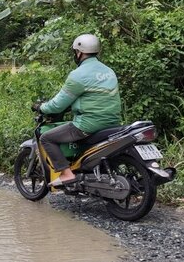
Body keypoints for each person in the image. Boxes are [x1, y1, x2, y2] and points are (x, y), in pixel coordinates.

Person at [34, 33, 122, 188]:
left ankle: (66, 174)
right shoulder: (109, 71)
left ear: (79, 52)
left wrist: (41, 107)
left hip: (88, 125)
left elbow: (57, 105)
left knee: (46, 138)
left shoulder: (78, 75)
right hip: (113, 123)